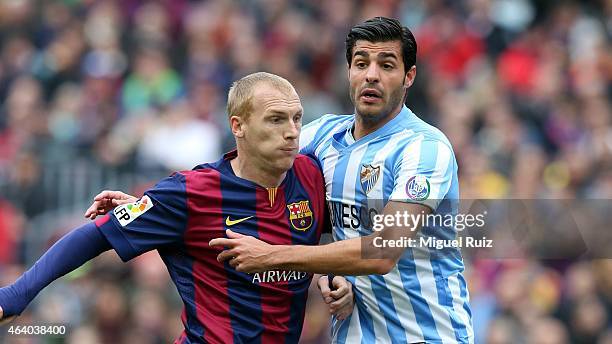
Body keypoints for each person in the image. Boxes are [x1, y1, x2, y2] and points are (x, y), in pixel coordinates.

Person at [0, 72, 354, 344]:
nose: (292, 132)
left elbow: (339, 239)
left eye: (297, 118)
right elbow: (94, 236)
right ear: (238, 126)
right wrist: (16, 295)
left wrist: (337, 277)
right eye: (276, 119)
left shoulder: (310, 176)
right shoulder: (191, 193)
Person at [208, 17, 474, 344]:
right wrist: (150, 202)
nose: (371, 75)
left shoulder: (424, 148)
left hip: (427, 336)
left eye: (387, 65)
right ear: (349, 71)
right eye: (361, 63)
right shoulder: (322, 135)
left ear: (409, 77)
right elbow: (251, 166)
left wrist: (271, 255)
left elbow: (382, 251)